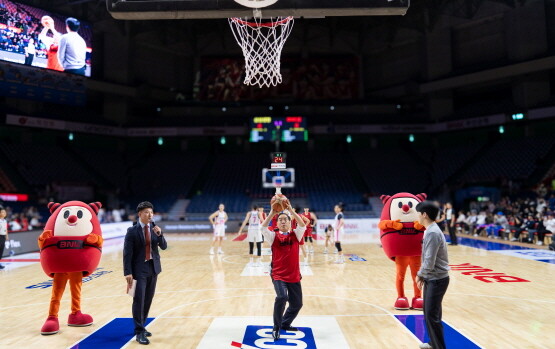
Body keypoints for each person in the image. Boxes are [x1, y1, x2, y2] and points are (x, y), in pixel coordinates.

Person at [261, 198, 306, 341]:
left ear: (289, 222)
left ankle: (285, 324)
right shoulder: (273, 235)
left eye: (285, 219)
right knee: (282, 297)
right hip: (278, 275)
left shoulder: (296, 234)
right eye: (280, 220)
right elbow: (262, 228)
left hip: (293, 276)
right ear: (277, 223)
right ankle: (276, 326)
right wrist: (272, 213)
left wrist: (291, 210)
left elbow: (302, 224)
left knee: (297, 304)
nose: (282, 221)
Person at [123, 201, 167, 345]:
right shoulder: (132, 231)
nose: (150, 215)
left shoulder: (154, 228)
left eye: (151, 212)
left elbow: (164, 247)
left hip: (153, 269)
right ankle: (139, 332)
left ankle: (142, 325)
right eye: (147, 212)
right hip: (139, 270)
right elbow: (127, 254)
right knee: (139, 300)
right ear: (140, 214)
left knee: (148, 299)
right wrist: (128, 272)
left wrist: (160, 235)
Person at [415, 201, 450, 349]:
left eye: (418, 213)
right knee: (430, 314)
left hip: (437, 279)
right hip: (433, 278)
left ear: (424, 214)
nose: (417, 216)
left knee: (432, 316)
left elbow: (429, 261)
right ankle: (432, 343)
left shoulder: (433, 232)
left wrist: (420, 275)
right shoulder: (430, 230)